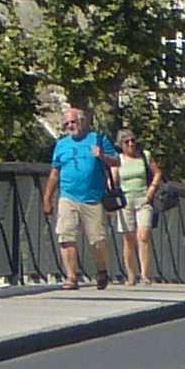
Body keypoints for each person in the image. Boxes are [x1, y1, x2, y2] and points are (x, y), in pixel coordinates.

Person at [48, 101, 120, 289]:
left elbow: (116, 162)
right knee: (65, 234)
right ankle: (71, 277)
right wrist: (47, 198)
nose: (70, 126)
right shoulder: (61, 145)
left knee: (97, 239)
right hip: (68, 195)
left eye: (73, 122)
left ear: (82, 121)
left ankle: (102, 270)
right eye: (67, 124)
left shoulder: (97, 139)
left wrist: (102, 156)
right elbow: (55, 172)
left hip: (93, 198)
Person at [111, 125, 156, 283]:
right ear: (121, 145)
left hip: (143, 199)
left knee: (143, 235)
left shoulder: (145, 156)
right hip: (125, 201)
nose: (131, 144)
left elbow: (157, 173)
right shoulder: (118, 160)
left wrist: (151, 191)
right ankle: (131, 274)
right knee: (129, 238)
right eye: (127, 142)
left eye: (133, 141)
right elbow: (113, 181)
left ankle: (145, 274)